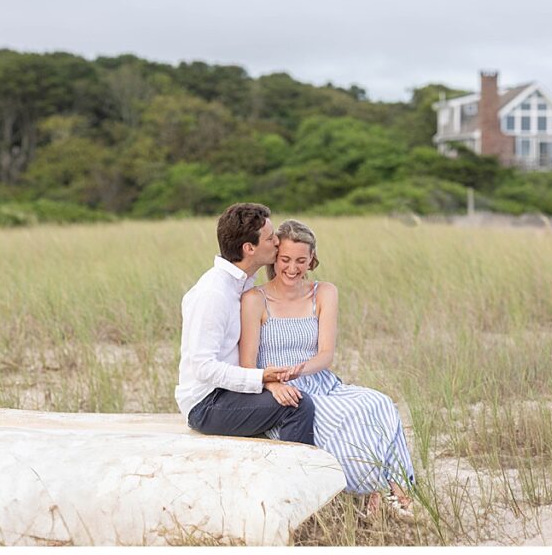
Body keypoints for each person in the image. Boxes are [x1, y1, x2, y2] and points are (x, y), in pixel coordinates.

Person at [239, 219, 416, 519]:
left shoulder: (324, 292)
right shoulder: (255, 299)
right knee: (340, 418)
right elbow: (247, 363)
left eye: (301, 261)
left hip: (320, 381)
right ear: (275, 258)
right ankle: (373, 490)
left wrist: (301, 368)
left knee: (379, 403)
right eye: (285, 260)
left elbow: (325, 355)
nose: (292, 268)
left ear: (312, 260)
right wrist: (272, 384)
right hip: (280, 390)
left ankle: (399, 494)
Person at [175, 203, 315, 445]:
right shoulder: (213, 293)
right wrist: (261, 378)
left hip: (228, 392)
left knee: (292, 394)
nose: (277, 242)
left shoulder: (242, 283)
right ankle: (295, 477)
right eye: (271, 238)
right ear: (249, 248)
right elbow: (203, 367)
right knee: (297, 405)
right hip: (207, 403)